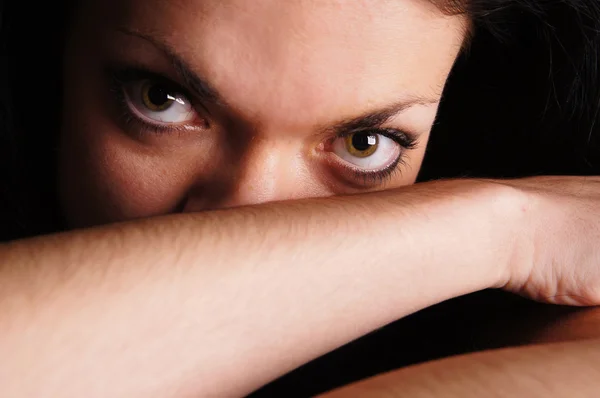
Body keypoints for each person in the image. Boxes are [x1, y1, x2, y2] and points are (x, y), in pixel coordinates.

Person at [1, 0, 599, 397]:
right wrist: (504, 228)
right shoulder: (523, 232)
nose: (246, 220)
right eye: (162, 99)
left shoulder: (550, 315)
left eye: (365, 144)